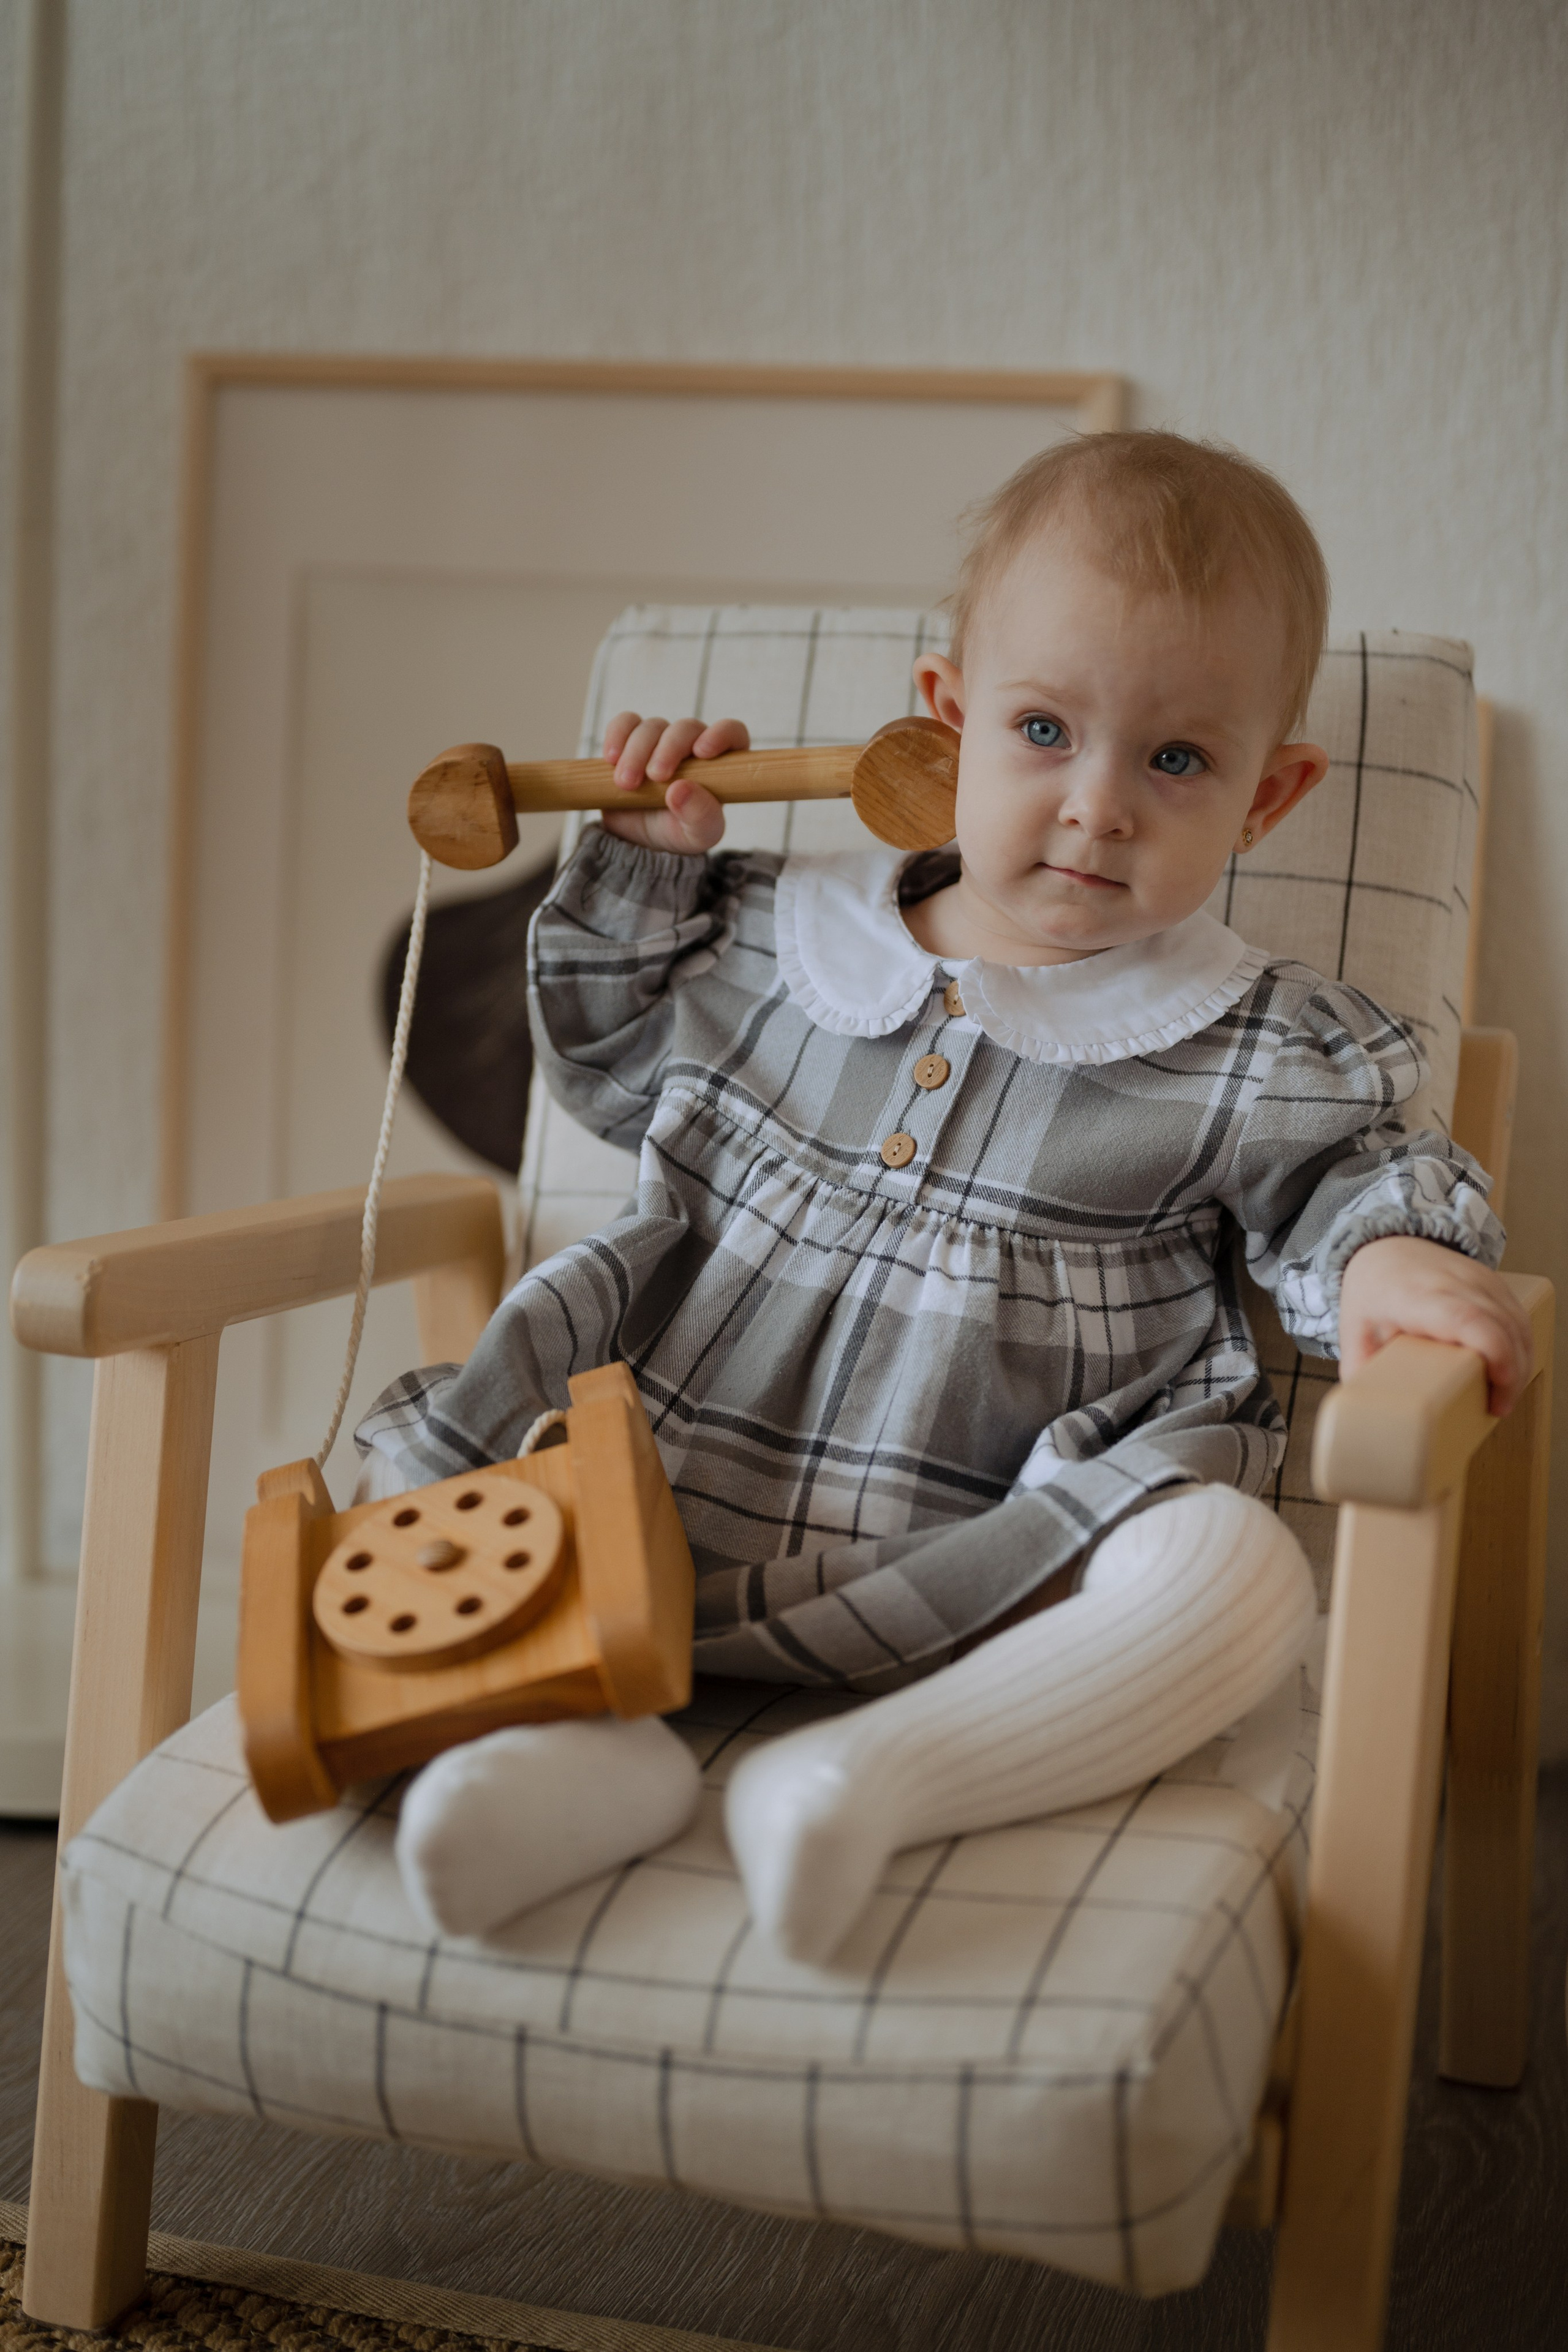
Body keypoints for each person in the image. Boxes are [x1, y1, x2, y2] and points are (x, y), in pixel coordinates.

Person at [361, 431, 1530, 1963]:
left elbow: (1350, 1181)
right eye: (1043, 729)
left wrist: (1393, 1264)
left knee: (1236, 1578)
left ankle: (863, 1780)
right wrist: (646, 865)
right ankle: (570, 1753)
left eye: (1175, 759)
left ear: (1272, 793)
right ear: (946, 721)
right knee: (432, 1488)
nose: (1097, 806)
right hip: (636, 1498)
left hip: (998, 1554)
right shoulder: (779, 936)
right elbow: (604, 1058)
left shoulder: (1255, 1041)